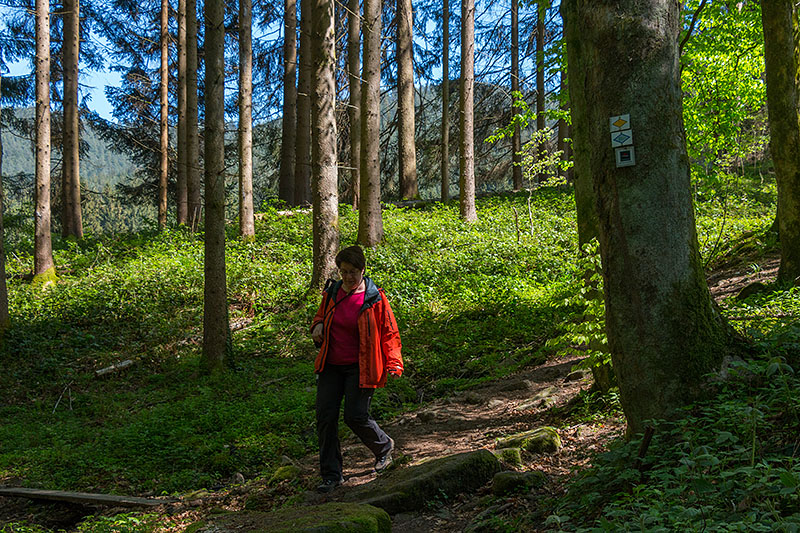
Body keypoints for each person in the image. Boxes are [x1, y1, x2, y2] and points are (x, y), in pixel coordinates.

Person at [310, 245, 403, 493]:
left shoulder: (375, 298)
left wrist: (394, 362)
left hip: (362, 367)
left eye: (353, 271)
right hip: (331, 365)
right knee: (325, 418)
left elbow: (390, 333)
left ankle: (384, 447)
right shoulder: (331, 293)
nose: (349, 277)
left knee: (355, 416)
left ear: (362, 270)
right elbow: (320, 317)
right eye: (344, 271)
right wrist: (317, 326)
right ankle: (332, 475)